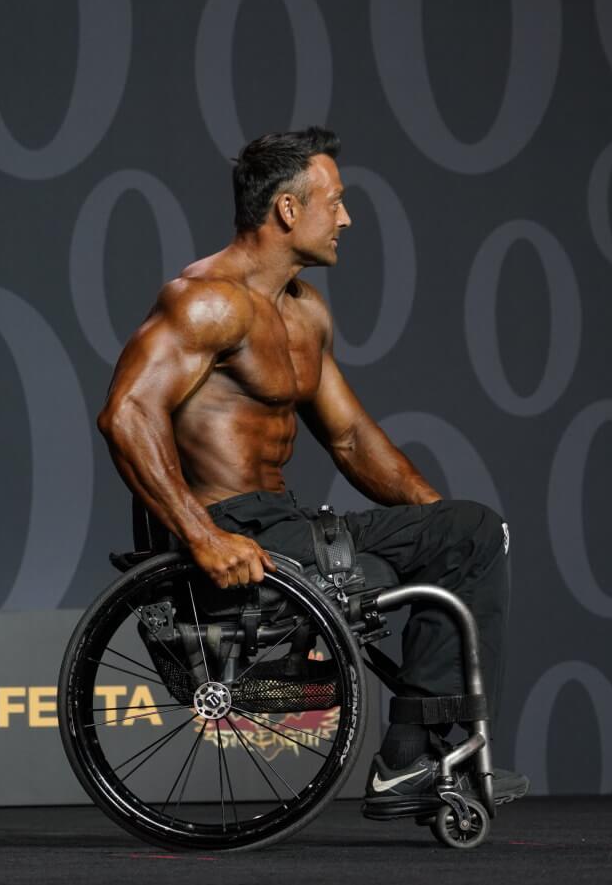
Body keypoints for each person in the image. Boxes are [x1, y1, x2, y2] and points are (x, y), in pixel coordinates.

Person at [97, 127, 526, 815]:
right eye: (336, 201)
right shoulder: (205, 301)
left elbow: (351, 439)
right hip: (231, 527)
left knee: (470, 534)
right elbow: (126, 414)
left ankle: (413, 757)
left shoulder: (305, 314)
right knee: (457, 541)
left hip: (289, 523)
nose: (346, 218)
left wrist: (436, 525)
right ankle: (410, 760)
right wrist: (203, 535)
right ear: (288, 209)